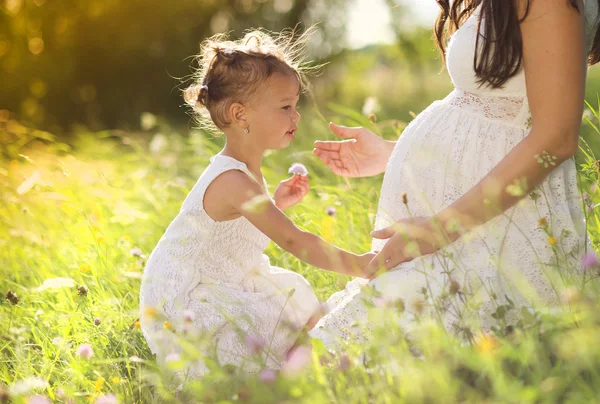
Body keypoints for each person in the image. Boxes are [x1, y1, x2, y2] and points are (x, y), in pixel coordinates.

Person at [309, 0, 600, 349]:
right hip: (464, 228)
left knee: (330, 358)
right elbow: (495, 117)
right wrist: (397, 153)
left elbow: (555, 139)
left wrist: (438, 229)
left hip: (489, 236)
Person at [138, 28, 374, 379]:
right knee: (274, 320)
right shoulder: (232, 179)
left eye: (296, 106)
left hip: (224, 278)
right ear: (240, 114)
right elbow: (295, 241)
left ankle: (317, 366)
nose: (296, 117)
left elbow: (235, 222)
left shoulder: (246, 175)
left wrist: (275, 201)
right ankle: (299, 375)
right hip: (187, 301)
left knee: (296, 308)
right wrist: (359, 264)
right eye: (285, 107)